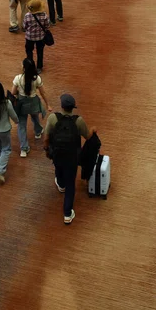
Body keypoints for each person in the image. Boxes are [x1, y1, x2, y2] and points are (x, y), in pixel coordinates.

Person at [44, 94, 93, 225]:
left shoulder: (53, 118)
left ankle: (60, 184)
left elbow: (47, 136)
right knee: (71, 183)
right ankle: (67, 213)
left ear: (62, 106)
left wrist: (46, 149)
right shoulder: (79, 121)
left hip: (57, 153)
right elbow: (87, 136)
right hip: (72, 157)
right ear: (73, 108)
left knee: (58, 167)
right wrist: (93, 131)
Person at [13, 57, 49, 156]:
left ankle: (24, 149)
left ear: (24, 68)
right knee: (35, 117)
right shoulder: (37, 78)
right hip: (33, 102)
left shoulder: (18, 78)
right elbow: (43, 93)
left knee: (22, 125)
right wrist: (48, 104)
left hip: (22, 103)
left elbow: (13, 92)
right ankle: (38, 132)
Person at [22, 0, 50, 72]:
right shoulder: (44, 15)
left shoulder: (27, 16)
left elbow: (24, 26)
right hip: (40, 37)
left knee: (29, 51)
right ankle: (39, 67)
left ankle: (30, 65)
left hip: (29, 37)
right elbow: (47, 25)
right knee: (40, 52)